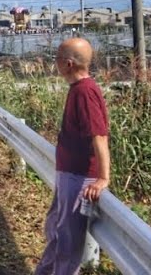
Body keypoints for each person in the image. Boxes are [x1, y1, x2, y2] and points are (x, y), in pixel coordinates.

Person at [36, 38, 110, 275]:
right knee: (57, 233)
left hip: (78, 178)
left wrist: (102, 178)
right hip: (69, 174)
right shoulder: (78, 89)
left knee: (67, 244)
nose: (55, 63)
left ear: (68, 64)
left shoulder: (85, 93)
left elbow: (99, 136)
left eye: (57, 59)